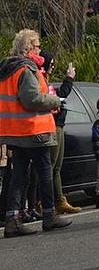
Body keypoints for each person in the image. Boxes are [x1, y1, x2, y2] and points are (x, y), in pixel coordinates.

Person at [1, 30, 72, 237]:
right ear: (30, 48)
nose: (40, 49)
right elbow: (32, 99)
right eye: (38, 46)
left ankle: (12, 219)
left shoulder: (6, 69)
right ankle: (49, 215)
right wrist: (56, 101)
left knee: (18, 175)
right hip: (34, 128)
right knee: (45, 172)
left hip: (13, 131)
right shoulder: (26, 69)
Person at [37, 51, 80, 215]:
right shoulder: (40, 80)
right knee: (51, 167)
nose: (52, 66)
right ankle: (45, 201)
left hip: (58, 125)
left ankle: (59, 200)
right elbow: (58, 96)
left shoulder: (45, 80)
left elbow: (59, 96)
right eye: (51, 63)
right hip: (51, 126)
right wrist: (69, 78)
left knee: (56, 167)